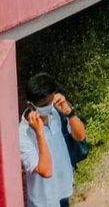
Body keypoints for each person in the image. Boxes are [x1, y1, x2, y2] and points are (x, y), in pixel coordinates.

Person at [19, 72, 86, 207]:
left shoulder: (56, 112)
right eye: (45, 104)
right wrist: (39, 133)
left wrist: (69, 113)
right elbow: (45, 171)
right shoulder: (23, 134)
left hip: (63, 190)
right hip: (43, 201)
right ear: (31, 105)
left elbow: (80, 136)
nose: (49, 106)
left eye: (51, 100)